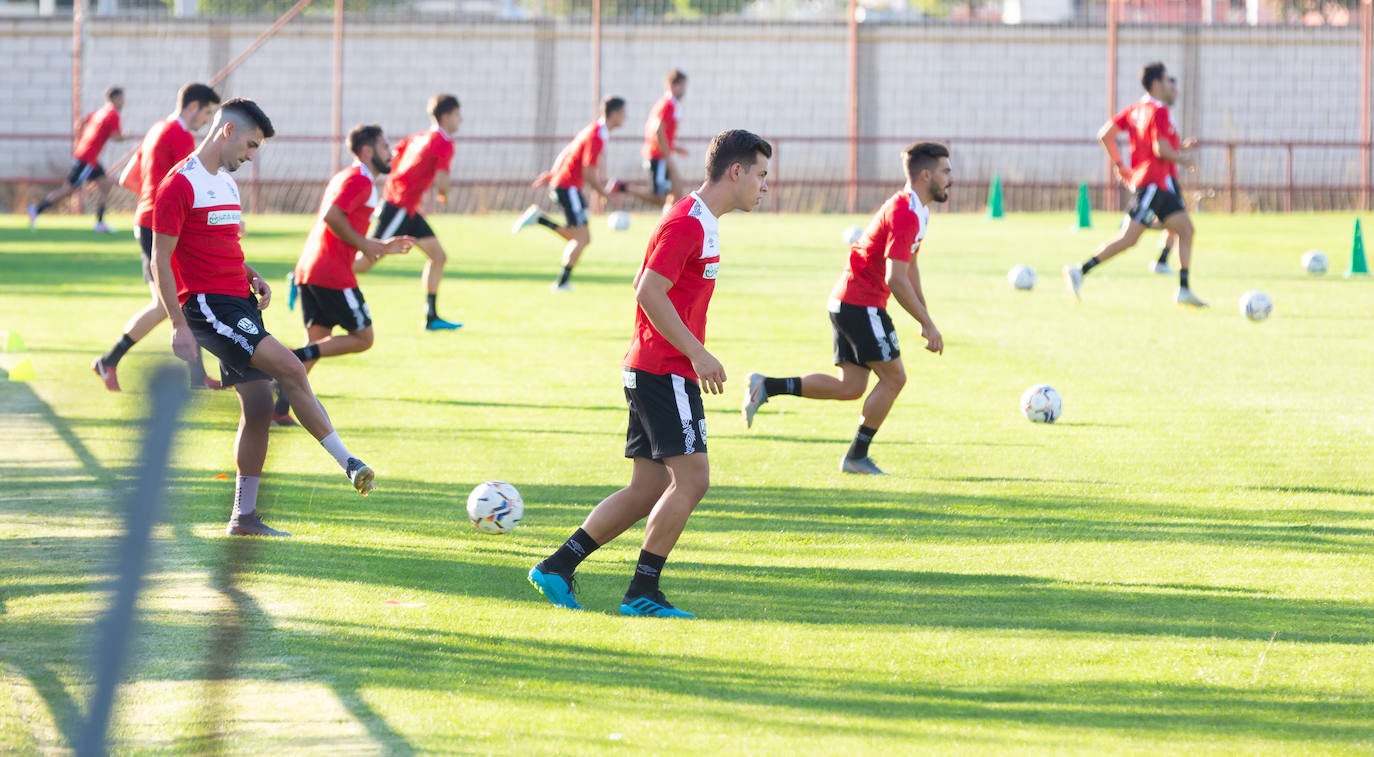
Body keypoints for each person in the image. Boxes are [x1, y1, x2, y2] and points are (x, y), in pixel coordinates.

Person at [527, 129, 772, 619]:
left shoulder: (699, 220)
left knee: (647, 488)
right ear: (736, 171)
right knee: (692, 480)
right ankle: (642, 591)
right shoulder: (688, 222)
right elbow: (648, 291)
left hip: (651, 368)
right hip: (665, 371)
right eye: (762, 175)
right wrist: (698, 354)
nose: (766, 186)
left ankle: (557, 567)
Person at [151, 98, 376, 537]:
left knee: (257, 408)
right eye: (251, 145)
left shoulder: (227, 185)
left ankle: (244, 517)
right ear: (227, 132)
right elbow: (160, 259)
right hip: (209, 307)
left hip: (239, 301)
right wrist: (178, 324)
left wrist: (252, 275)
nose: (251, 156)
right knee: (291, 368)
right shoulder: (178, 185)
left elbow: (223, 246)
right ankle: (349, 462)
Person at [742, 142, 952, 476]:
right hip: (860, 303)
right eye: (945, 171)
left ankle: (766, 386)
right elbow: (895, 278)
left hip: (850, 301)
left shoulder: (918, 210)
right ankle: (856, 456)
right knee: (895, 378)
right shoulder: (905, 213)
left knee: (851, 387)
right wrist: (926, 322)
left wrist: (927, 319)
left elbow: (910, 268)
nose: (950, 178)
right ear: (926, 175)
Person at [270, 125, 415, 426]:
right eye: (385, 146)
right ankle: (290, 356)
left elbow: (339, 225)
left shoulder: (347, 176)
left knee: (319, 341)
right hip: (330, 272)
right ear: (367, 151)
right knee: (363, 338)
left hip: (310, 268)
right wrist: (365, 244)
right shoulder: (360, 180)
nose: (390, 152)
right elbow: (332, 217)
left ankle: (278, 409)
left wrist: (379, 248)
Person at [91, 82, 222, 392]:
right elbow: (193, 182)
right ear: (193, 106)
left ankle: (195, 375)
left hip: (150, 221)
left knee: (176, 300)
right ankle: (110, 361)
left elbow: (128, 178)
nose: (206, 121)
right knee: (172, 302)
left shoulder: (156, 129)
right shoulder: (179, 135)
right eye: (206, 113)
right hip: (159, 226)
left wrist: (153, 201)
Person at [1064, 62, 1207, 307]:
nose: (1168, 84)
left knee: (1186, 229)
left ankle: (1183, 289)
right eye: (1165, 80)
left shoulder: (1134, 109)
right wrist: (1183, 160)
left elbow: (1105, 134)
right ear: (1156, 83)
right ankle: (1080, 270)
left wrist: (1120, 165)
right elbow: (1159, 149)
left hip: (1157, 184)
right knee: (1129, 239)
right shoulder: (1159, 110)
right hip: (1152, 183)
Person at [351, 93, 463, 330]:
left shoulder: (419, 136)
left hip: (408, 207)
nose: (460, 120)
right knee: (371, 257)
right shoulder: (443, 142)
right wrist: (443, 194)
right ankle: (314, 278)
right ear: (445, 116)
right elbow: (443, 179)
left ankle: (431, 316)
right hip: (399, 206)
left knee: (438, 256)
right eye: (457, 115)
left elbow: (393, 158)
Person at [511, 96, 628, 291]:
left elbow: (567, 152)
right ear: (614, 114)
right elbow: (588, 172)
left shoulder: (595, 131)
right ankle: (560, 281)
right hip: (568, 187)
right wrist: (606, 195)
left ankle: (561, 279)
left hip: (566, 185)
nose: (626, 118)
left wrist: (553, 174)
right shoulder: (597, 136)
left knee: (583, 238)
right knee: (581, 238)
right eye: (624, 113)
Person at [29, 85, 127, 233]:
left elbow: (80, 123)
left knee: (106, 184)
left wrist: (83, 140)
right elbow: (116, 136)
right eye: (121, 98)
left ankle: (100, 223)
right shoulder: (112, 114)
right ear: (115, 98)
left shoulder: (101, 111)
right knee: (68, 190)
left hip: (88, 156)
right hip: (87, 159)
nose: (123, 102)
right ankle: (36, 209)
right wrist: (127, 137)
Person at [606, 70, 689, 211]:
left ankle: (669, 223)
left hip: (660, 153)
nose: (684, 90)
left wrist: (674, 147)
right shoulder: (668, 104)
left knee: (676, 192)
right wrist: (668, 155)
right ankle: (622, 186)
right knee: (662, 197)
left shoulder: (669, 104)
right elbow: (658, 130)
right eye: (682, 86)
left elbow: (661, 132)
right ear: (673, 86)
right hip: (659, 155)